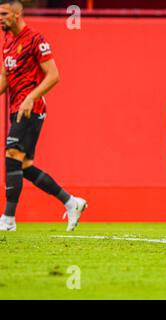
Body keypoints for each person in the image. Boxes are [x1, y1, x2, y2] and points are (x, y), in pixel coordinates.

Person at [0, 0, 87, 231]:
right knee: (25, 165)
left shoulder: (35, 39)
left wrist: (30, 96)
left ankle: (8, 220)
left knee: (11, 155)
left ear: (17, 14)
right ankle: (71, 202)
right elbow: (4, 80)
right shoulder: (7, 42)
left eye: (4, 13)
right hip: (15, 109)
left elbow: (53, 75)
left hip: (32, 108)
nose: (1, 18)